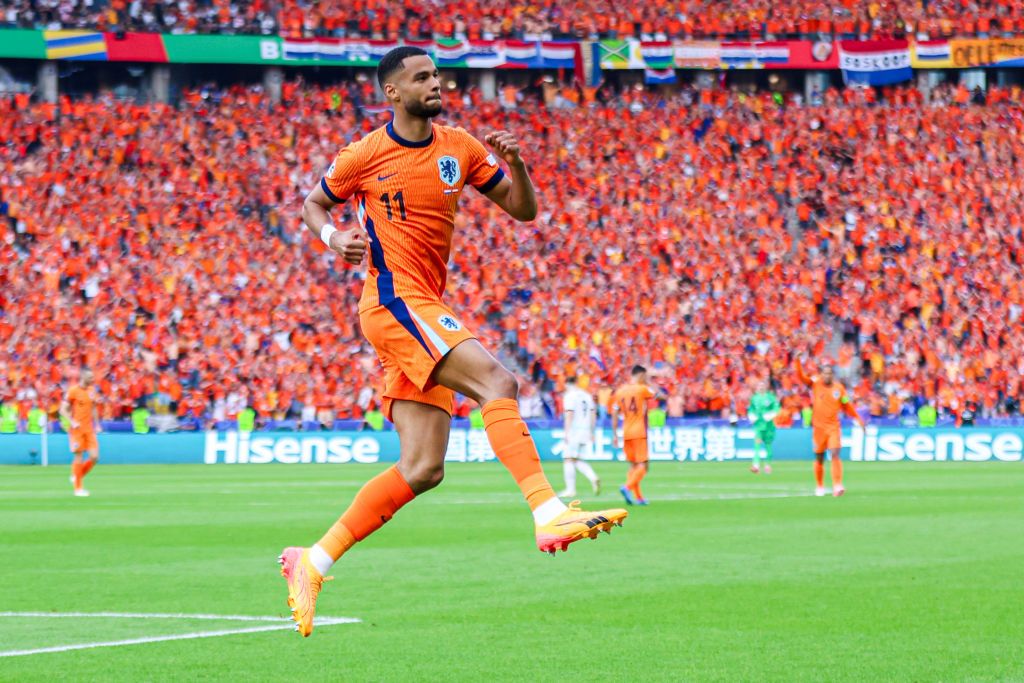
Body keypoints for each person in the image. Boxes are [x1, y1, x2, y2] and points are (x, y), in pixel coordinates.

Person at [281, 47, 628, 637]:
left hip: (424, 305)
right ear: (393, 93)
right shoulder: (363, 154)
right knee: (499, 381)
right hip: (392, 301)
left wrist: (516, 165)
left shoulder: (460, 147)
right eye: (420, 78)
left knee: (422, 469)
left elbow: (522, 211)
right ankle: (548, 512)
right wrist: (332, 236)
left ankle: (310, 561)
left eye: (435, 74)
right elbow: (315, 204)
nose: (434, 83)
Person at [794, 357, 865, 497]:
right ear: (821, 374)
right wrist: (797, 361)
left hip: (833, 427)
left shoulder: (839, 389)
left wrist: (858, 419)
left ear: (832, 375)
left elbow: (847, 406)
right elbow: (801, 377)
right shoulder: (815, 383)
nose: (827, 376)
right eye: (825, 373)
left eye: (829, 373)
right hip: (818, 428)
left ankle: (837, 485)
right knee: (819, 458)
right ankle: (819, 486)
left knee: (835, 453)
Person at [610, 365, 663, 505]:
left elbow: (614, 412)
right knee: (643, 466)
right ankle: (626, 487)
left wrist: (615, 434)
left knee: (633, 466)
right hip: (639, 431)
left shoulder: (620, 391)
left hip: (626, 432)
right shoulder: (642, 389)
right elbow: (660, 396)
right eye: (644, 377)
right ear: (640, 375)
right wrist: (649, 383)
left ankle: (639, 498)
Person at [60, 369, 100, 497]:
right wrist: (72, 422)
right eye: (90, 377)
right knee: (78, 457)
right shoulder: (73, 391)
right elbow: (62, 410)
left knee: (94, 457)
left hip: (89, 429)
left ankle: (77, 475)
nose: (93, 379)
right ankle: (78, 489)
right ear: (83, 377)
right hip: (77, 430)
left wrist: (97, 424)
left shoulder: (92, 391)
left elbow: (93, 407)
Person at [559, 376, 600, 497]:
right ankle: (593, 477)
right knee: (576, 459)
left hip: (574, 430)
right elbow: (593, 414)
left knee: (568, 459)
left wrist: (566, 432)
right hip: (585, 430)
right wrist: (592, 432)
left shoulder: (569, 396)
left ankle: (570, 489)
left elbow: (569, 413)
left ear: (567, 384)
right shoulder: (587, 395)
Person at [748, 378, 780, 475]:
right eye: (759, 386)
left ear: (766, 387)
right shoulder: (754, 398)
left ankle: (767, 465)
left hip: (769, 427)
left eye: (763, 385)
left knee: (768, 447)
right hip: (758, 426)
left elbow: (776, 407)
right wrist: (751, 415)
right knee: (757, 446)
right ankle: (756, 465)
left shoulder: (770, 397)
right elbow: (751, 409)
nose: (761, 387)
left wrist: (771, 414)